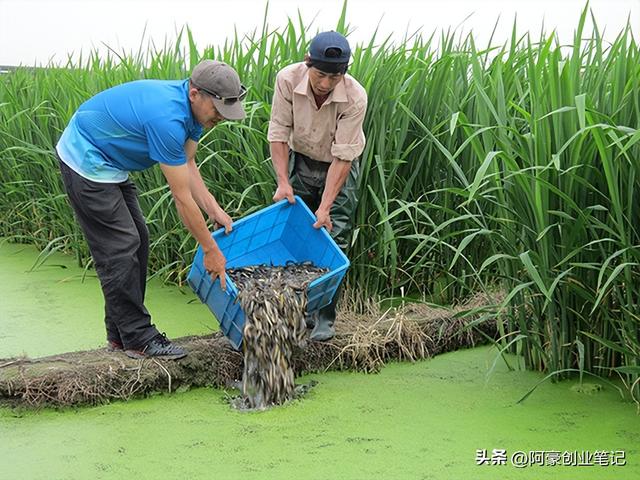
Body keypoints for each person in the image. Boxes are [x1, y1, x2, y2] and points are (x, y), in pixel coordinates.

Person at [56, 60, 246, 359]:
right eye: (218, 111)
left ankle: (120, 334)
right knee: (121, 246)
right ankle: (138, 338)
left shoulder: (194, 112)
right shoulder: (167, 119)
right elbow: (181, 198)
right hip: (86, 158)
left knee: (139, 239)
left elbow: (188, 162)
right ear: (196, 93)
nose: (222, 118)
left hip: (111, 163)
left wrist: (214, 209)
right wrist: (210, 249)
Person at [267, 31, 368, 341]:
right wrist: (283, 183)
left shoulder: (355, 96)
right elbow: (279, 133)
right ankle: (296, 312)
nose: (325, 83)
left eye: (334, 76)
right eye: (321, 74)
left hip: (338, 166)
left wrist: (325, 208)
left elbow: (343, 157)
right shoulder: (287, 79)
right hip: (301, 160)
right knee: (296, 232)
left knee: (332, 238)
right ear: (308, 63)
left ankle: (324, 316)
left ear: (344, 74)